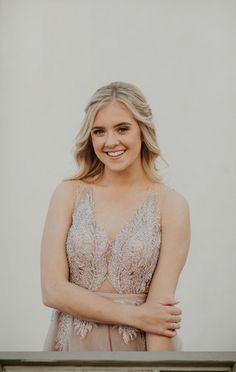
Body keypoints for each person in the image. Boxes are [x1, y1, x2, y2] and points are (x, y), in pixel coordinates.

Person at [41, 81, 190, 352]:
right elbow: (52, 290)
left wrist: (158, 369)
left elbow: (160, 316)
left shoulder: (172, 205)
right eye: (99, 131)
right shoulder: (68, 194)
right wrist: (137, 316)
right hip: (71, 351)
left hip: (137, 352)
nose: (110, 142)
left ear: (143, 131)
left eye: (122, 128)